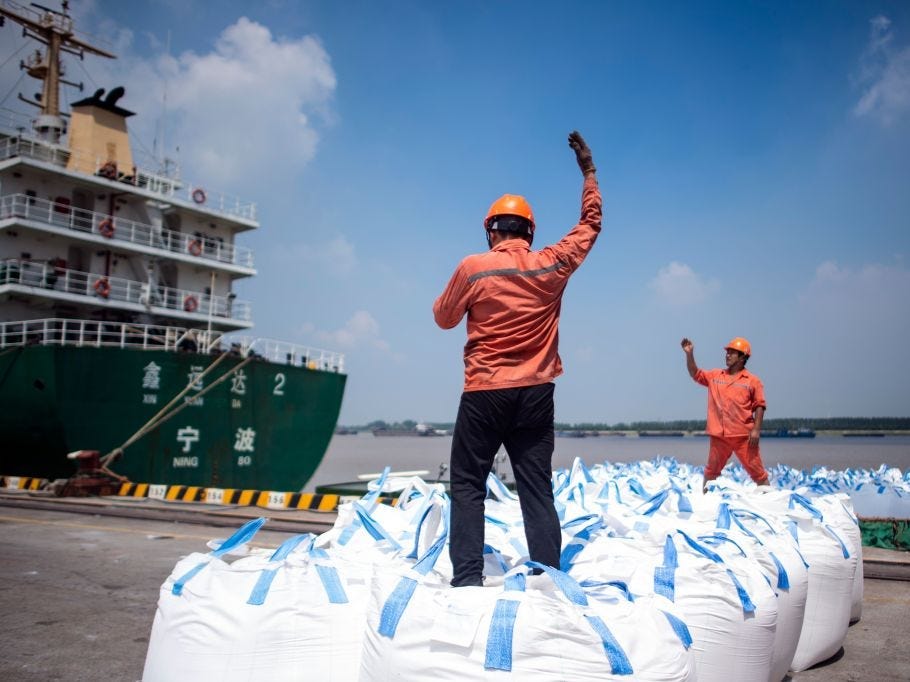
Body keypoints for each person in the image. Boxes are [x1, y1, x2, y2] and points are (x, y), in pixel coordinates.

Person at [433, 131, 602, 587]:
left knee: (468, 486)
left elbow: (444, 319)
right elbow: (589, 227)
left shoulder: (473, 268)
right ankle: (548, 579)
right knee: (536, 488)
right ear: (529, 231)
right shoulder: (551, 264)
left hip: (485, 392)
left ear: (491, 230)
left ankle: (467, 581)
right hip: (536, 394)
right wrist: (588, 172)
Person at [680, 336, 769, 492]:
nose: (727, 355)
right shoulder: (715, 376)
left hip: (743, 436)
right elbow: (695, 373)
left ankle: (770, 501)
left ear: (743, 357)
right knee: (711, 472)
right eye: (727, 352)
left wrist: (756, 430)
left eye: (732, 353)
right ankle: (706, 500)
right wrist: (689, 354)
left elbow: (759, 406)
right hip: (719, 437)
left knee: (758, 474)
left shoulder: (753, 381)